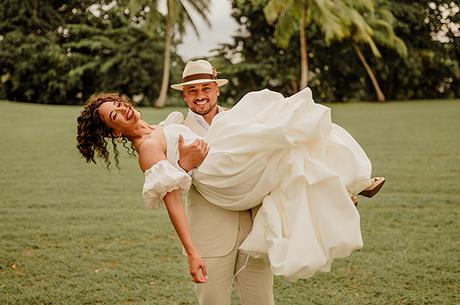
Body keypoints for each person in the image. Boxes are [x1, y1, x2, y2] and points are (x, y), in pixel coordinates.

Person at [76, 60, 385, 300]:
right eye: (115, 116)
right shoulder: (160, 137)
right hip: (213, 227)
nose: (124, 111)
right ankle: (344, 189)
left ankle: (347, 185)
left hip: (253, 222)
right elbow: (170, 194)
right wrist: (186, 166)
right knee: (213, 301)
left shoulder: (229, 119)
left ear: (216, 89)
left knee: (289, 142)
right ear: (184, 95)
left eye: (120, 105)